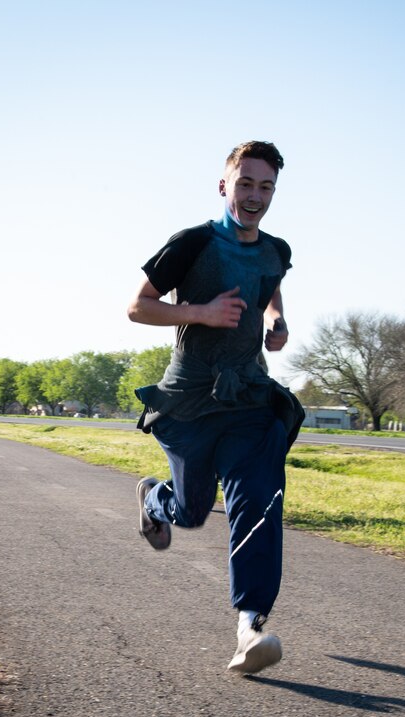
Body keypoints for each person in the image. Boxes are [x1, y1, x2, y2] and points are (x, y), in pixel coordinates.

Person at [127, 140, 304, 675]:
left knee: (259, 497)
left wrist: (275, 321)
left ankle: (250, 625)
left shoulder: (277, 250)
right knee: (193, 510)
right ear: (224, 184)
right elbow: (138, 307)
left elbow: (268, 288)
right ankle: (157, 500)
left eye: (266, 186)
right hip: (188, 402)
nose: (255, 196)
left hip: (248, 396)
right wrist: (201, 312)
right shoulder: (192, 243)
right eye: (245, 183)